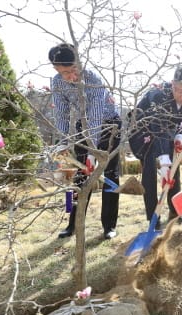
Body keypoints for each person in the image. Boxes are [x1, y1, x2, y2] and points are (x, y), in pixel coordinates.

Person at [49, 43, 122, 240]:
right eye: (63, 72)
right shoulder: (57, 82)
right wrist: (63, 143)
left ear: (79, 63)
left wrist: (92, 153)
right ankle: (72, 223)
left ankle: (109, 226)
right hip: (84, 125)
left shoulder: (93, 79)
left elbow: (96, 116)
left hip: (109, 126)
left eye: (73, 70)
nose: (70, 76)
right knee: (79, 176)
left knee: (110, 174)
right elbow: (62, 115)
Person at [128, 66, 182, 228]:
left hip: (168, 132)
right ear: (172, 84)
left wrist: (180, 136)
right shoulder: (159, 94)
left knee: (174, 168)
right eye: (179, 90)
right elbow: (157, 126)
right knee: (150, 170)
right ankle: (153, 217)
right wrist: (164, 163)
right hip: (143, 131)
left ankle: (175, 211)